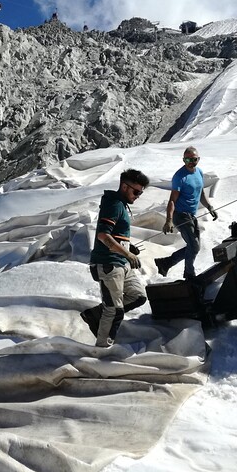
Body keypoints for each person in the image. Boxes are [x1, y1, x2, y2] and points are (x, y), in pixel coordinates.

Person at [80, 169, 150, 347]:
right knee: (114, 310)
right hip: (109, 263)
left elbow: (114, 235)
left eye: (140, 193)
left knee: (138, 296)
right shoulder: (114, 204)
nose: (138, 196)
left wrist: (127, 247)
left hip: (120, 263)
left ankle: (95, 316)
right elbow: (103, 235)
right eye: (136, 191)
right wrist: (127, 253)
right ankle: (103, 348)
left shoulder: (120, 204)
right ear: (124, 186)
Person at [154, 147, 218, 280]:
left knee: (194, 247)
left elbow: (201, 193)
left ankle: (165, 263)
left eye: (194, 159)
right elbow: (172, 200)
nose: (191, 162)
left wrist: (210, 207)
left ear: (198, 159)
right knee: (194, 246)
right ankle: (189, 274)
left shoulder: (199, 173)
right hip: (181, 215)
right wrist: (169, 220)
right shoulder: (179, 177)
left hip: (191, 215)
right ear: (183, 160)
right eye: (188, 159)